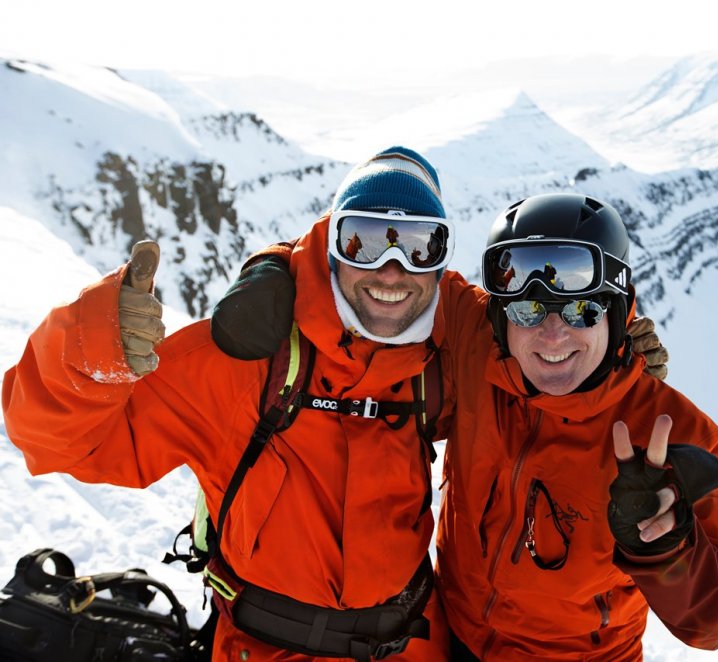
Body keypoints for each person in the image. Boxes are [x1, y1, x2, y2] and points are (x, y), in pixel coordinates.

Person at [212, 194, 718, 660]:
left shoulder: (671, 436)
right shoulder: (475, 345)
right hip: (453, 639)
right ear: (497, 315)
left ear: (619, 308)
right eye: (528, 309)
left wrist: (667, 549)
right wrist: (272, 267)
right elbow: (370, 265)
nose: (553, 335)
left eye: (583, 310)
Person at [1, 146, 462, 661]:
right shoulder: (244, 360)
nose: (392, 269)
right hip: (263, 649)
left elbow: (543, 380)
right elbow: (65, 444)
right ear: (331, 246)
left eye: (421, 245)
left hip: (415, 645)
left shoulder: (444, 360)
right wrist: (91, 347)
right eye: (364, 241)